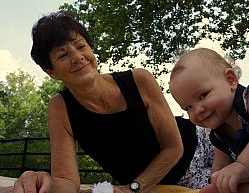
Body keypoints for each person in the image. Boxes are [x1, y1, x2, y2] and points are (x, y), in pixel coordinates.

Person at [13, 11, 214, 193]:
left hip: (208, 144)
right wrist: (41, 181)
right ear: (51, 72)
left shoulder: (139, 80)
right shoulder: (60, 108)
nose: (78, 57)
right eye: (63, 54)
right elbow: (66, 181)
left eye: (81, 46)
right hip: (167, 184)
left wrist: (133, 188)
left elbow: (173, 147)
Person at [169, 48, 249, 193]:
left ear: (230, 80)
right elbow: (220, 167)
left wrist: (243, 165)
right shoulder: (219, 135)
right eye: (188, 107)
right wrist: (218, 183)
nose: (197, 110)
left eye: (203, 95)